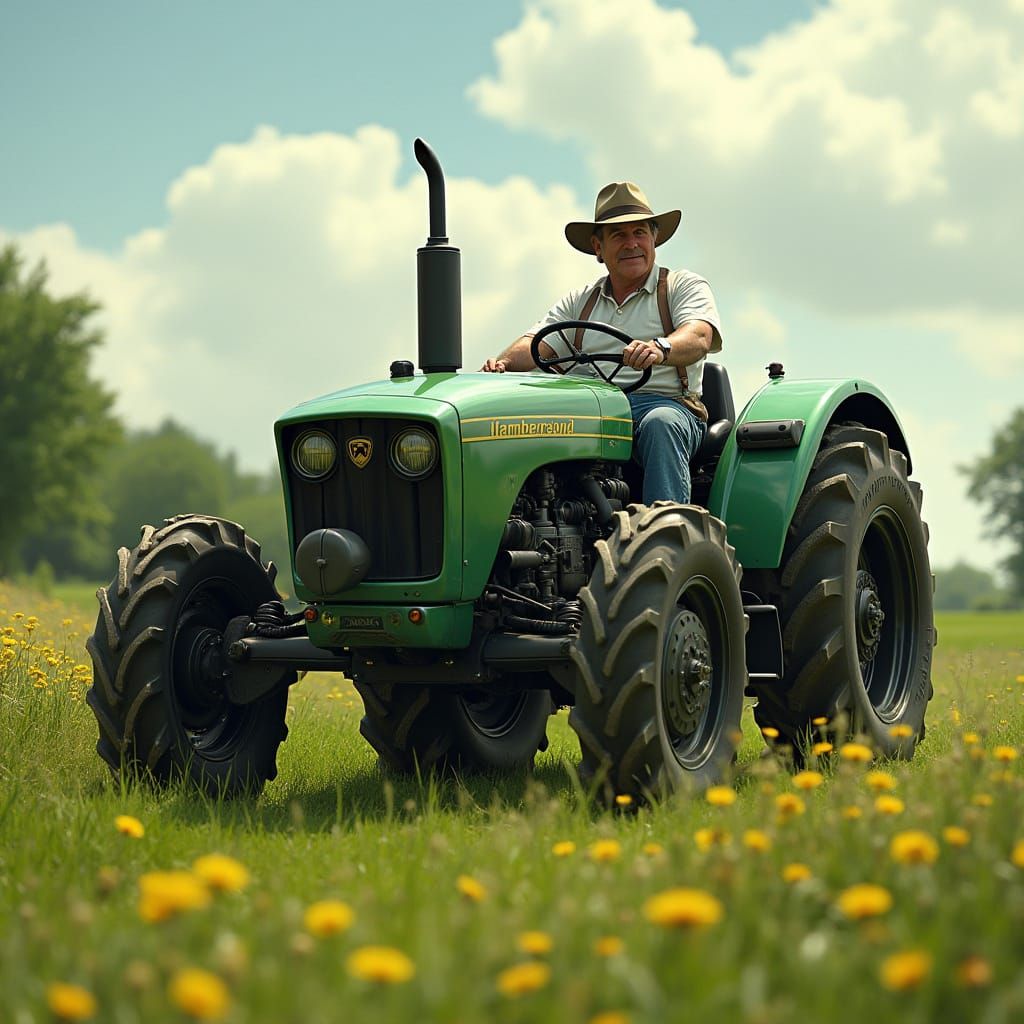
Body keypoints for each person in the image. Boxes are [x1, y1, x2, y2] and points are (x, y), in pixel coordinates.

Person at [481, 181, 723, 505]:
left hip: (662, 405)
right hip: (589, 410)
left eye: (639, 232)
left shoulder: (681, 286)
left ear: (654, 239)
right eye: (618, 235)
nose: (631, 244)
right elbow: (537, 345)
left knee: (661, 425)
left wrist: (659, 348)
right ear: (598, 247)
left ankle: (667, 534)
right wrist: (503, 365)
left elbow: (699, 336)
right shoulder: (581, 301)